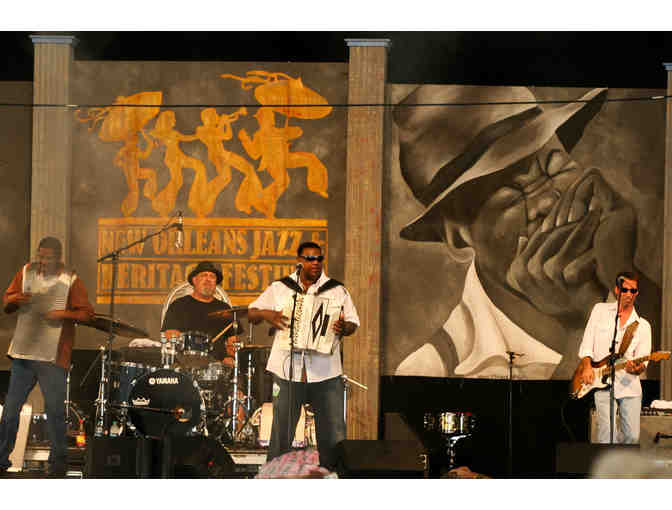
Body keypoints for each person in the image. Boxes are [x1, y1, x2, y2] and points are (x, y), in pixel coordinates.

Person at [392, 85, 660, 379]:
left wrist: (623, 272)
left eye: (556, 168)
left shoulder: (622, 285)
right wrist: (583, 327)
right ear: (457, 237)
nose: (548, 201)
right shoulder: (433, 369)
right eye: (511, 194)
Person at [247, 241, 359, 470]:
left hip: (326, 371)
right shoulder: (281, 287)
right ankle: (275, 476)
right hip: (287, 370)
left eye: (319, 258)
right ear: (299, 261)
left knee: (333, 432)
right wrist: (267, 314)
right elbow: (251, 313)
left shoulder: (337, 290)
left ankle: (333, 477)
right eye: (310, 258)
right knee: (282, 431)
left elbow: (353, 322)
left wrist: (344, 328)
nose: (315, 263)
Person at [0, 237, 94, 477]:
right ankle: (1, 460)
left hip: (53, 356)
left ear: (58, 258)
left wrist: (62, 313)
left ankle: (58, 466)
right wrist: (16, 299)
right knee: (10, 411)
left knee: (55, 412)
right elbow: (7, 303)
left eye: (48, 258)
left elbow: (87, 314)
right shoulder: (26, 272)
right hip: (24, 354)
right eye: (40, 256)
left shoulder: (70, 279)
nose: (42, 261)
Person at [577, 271, 651, 444]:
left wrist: (636, 369)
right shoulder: (599, 310)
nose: (629, 294)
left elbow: (643, 361)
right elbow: (587, 342)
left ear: (637, 293)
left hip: (629, 385)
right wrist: (587, 366)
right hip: (602, 383)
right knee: (606, 436)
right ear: (617, 290)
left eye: (633, 291)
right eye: (625, 290)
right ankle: (610, 457)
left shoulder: (642, 326)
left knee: (632, 436)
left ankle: (620, 457)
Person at [161, 260, 239, 366]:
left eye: (212, 276)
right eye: (204, 275)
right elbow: (170, 335)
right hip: (184, 362)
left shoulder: (225, 309)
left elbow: (232, 342)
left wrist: (230, 357)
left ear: (216, 283)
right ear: (194, 280)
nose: (208, 279)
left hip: (217, 366)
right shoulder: (178, 305)